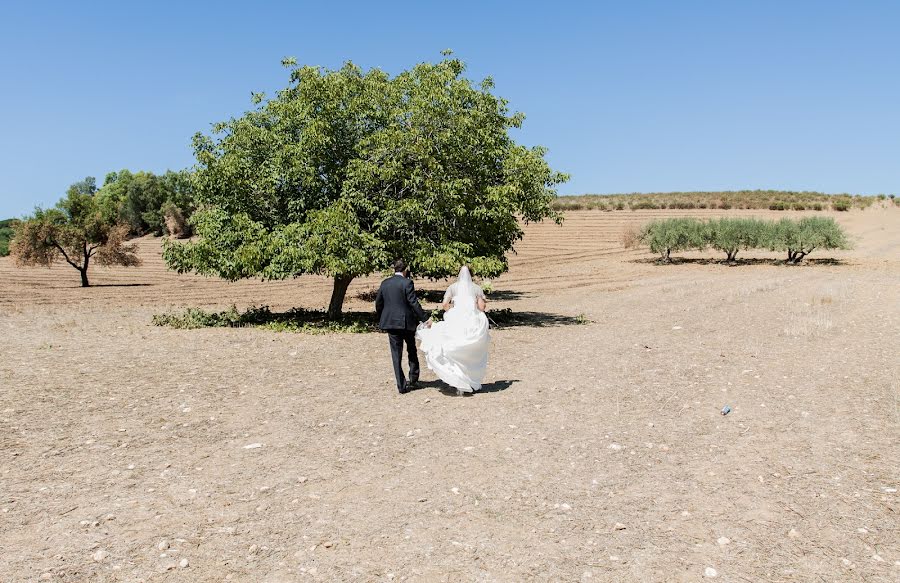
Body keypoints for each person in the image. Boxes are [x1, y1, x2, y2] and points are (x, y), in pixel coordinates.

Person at [416, 266, 490, 393]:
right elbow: (482, 307)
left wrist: (453, 311)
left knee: (452, 347)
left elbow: (445, 305)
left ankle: (456, 378)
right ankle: (470, 379)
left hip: (456, 320)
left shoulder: (453, 287)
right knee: (470, 351)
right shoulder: (476, 288)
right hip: (472, 321)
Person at [375, 260, 430, 394]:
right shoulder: (407, 283)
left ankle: (401, 385)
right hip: (406, 323)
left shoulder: (385, 283)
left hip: (391, 323)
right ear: (405, 269)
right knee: (411, 350)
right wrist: (425, 318)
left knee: (396, 354)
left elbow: (378, 303)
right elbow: (413, 303)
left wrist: (384, 316)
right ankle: (414, 378)